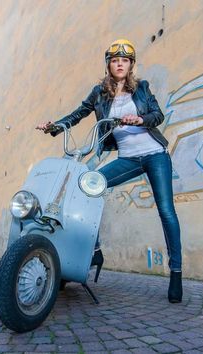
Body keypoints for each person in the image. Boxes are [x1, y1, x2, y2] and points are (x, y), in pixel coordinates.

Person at [36, 39, 183, 303]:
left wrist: (141, 119)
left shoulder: (142, 88)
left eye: (125, 60)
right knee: (87, 187)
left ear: (131, 65)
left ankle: (176, 271)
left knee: (166, 211)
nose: (120, 64)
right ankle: (93, 252)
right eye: (115, 60)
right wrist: (55, 126)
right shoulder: (99, 93)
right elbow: (78, 114)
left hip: (154, 155)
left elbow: (157, 115)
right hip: (128, 158)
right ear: (108, 65)